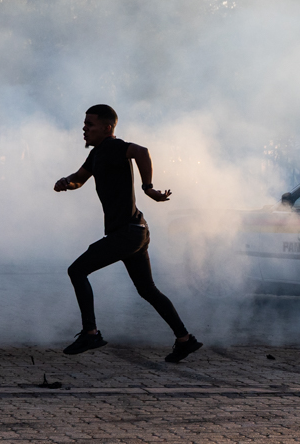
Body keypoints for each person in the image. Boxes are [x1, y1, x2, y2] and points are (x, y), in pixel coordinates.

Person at [54, 104, 202, 363]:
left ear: (107, 127)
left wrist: (148, 187)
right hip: (135, 231)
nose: (84, 129)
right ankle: (184, 339)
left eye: (90, 124)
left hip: (126, 234)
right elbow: (79, 178)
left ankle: (90, 333)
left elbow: (141, 151)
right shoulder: (97, 154)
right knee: (147, 290)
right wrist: (67, 183)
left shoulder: (113, 146)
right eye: (84, 123)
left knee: (77, 271)